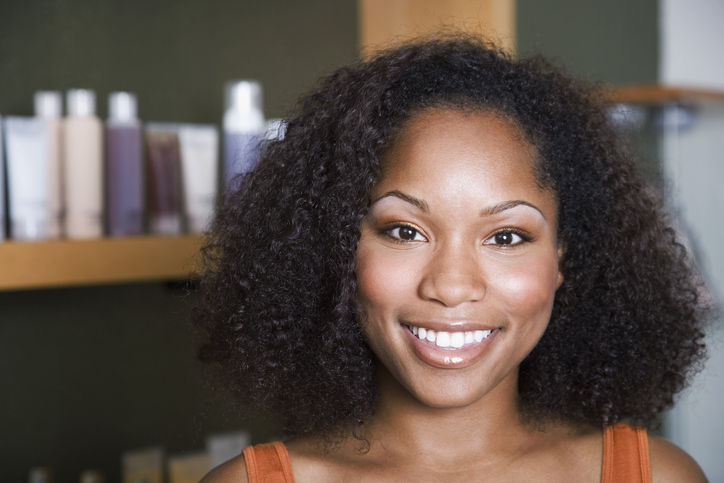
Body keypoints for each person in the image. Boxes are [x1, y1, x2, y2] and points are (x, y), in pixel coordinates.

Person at [195, 35, 710, 482]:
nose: (451, 285)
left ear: (562, 260)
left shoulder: (656, 477)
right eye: (404, 230)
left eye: (506, 237)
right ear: (337, 248)